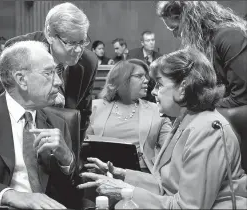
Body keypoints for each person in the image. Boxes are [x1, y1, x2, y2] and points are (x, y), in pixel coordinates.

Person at [77, 47, 247, 209]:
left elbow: (188, 207)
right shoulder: (187, 120)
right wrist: (122, 175)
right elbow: (166, 187)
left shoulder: (207, 130)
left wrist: (123, 191)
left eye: (159, 84)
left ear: (182, 88)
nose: (153, 92)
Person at [0, 41, 80, 209]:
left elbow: (72, 195)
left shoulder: (58, 124)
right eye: (48, 73)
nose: (58, 82)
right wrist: (10, 195)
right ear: (21, 79)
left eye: (57, 73)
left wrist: (67, 159)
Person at [0, 2, 98, 143]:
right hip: (19, 135)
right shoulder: (19, 48)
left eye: (82, 42)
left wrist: (74, 156)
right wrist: (37, 90)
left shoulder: (89, 62)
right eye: (71, 43)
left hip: (62, 140)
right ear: (50, 35)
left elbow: (83, 115)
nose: (78, 50)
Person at [156, 0, 247, 173]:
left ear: (189, 17)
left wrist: (196, 109)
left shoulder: (229, 36)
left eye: (175, 28)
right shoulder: (208, 41)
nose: (176, 35)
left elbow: (242, 96)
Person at [87, 59, 172, 172]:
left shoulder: (156, 110)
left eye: (145, 76)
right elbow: (86, 146)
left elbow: (171, 149)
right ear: (121, 80)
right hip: (103, 171)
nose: (146, 80)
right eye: (139, 76)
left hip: (142, 174)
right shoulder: (95, 108)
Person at [128, 30, 163, 102]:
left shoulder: (160, 57)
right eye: (148, 40)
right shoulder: (132, 55)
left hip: (153, 94)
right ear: (142, 43)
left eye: (153, 40)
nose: (151, 43)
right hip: (137, 91)